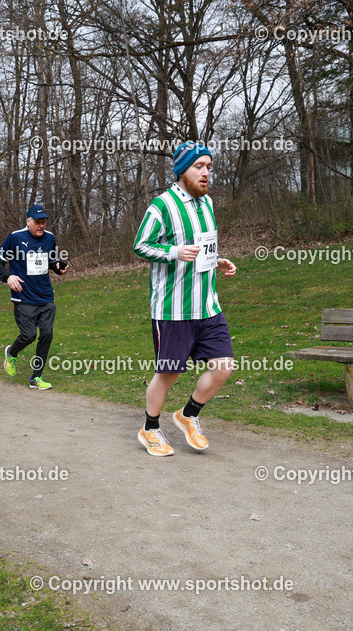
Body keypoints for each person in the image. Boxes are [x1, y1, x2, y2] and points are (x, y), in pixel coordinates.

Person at [132, 142, 238, 457]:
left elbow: (202, 247)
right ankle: (150, 428)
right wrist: (174, 252)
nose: (205, 173)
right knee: (169, 373)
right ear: (182, 170)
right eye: (198, 167)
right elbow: (141, 245)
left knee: (223, 366)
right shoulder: (162, 205)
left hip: (208, 306)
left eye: (208, 167)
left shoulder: (207, 205)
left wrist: (216, 260)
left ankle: (188, 414)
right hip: (173, 309)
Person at [0, 203, 69, 390]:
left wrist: (58, 266)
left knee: (47, 334)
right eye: (37, 222)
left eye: (43, 222)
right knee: (28, 335)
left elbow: (51, 261)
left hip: (45, 296)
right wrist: (8, 276)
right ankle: (12, 351)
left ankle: (36, 377)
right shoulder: (15, 237)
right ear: (28, 221)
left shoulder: (49, 238)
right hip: (24, 296)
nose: (41, 226)